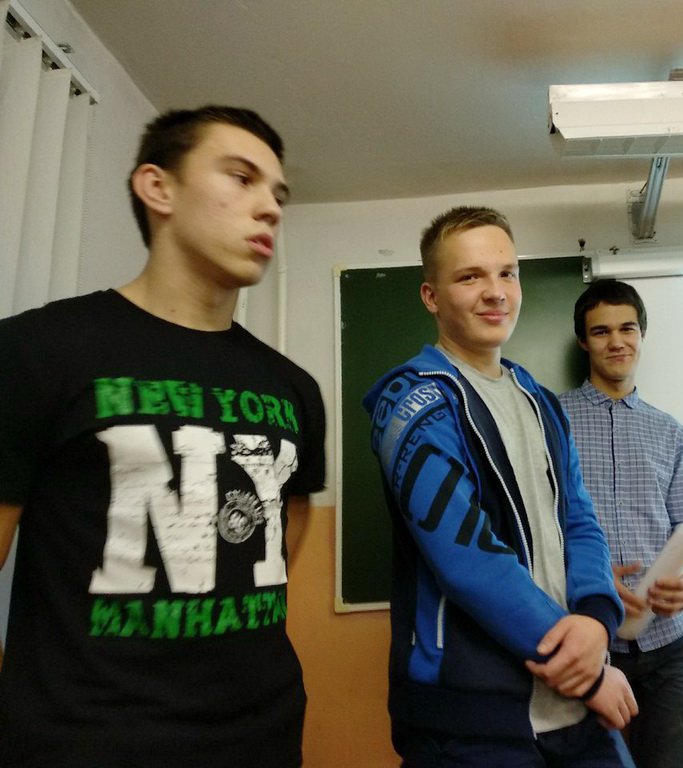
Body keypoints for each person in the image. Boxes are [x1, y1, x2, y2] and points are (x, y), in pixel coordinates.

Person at [0, 106, 326, 767]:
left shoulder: (293, 386)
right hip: (83, 742)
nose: (270, 207)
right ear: (158, 187)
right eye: (241, 178)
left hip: (263, 737)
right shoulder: (36, 351)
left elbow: (290, 517)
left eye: (278, 193)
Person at [363, 206, 638, 766]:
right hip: (473, 721)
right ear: (431, 296)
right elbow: (468, 559)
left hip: (574, 703)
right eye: (470, 276)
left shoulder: (539, 400)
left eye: (507, 273)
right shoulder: (413, 402)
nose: (495, 292)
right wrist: (587, 672)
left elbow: (578, 520)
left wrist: (596, 620)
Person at [559, 279, 683, 768]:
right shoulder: (552, 423)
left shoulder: (670, 432)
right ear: (583, 341)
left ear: (642, 334)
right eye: (600, 331)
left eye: (627, 328)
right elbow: (535, 532)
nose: (616, 341)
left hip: (668, 646)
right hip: (591, 641)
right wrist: (583, 579)